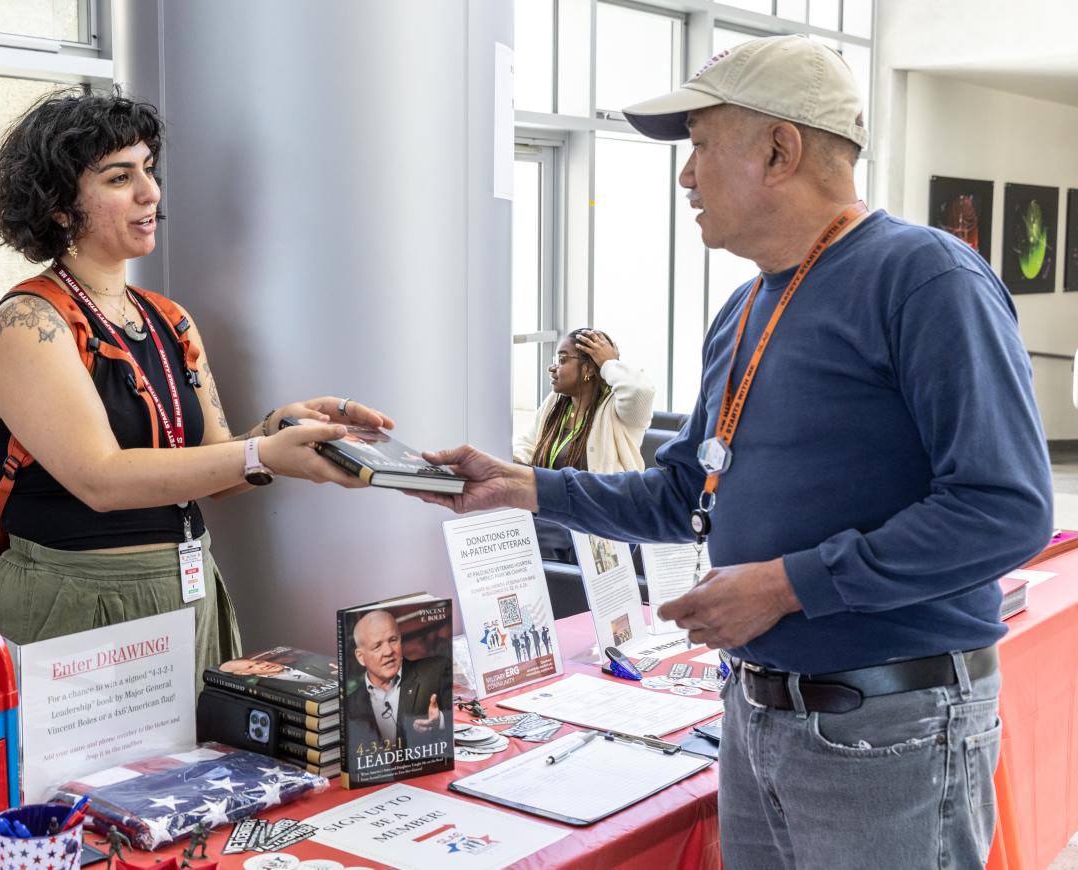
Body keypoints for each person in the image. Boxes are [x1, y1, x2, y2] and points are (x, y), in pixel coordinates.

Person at [412, 35, 1052, 869]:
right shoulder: (745, 309)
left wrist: (786, 587)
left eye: (702, 146)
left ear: (779, 150)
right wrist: (524, 486)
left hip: (889, 727)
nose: (686, 176)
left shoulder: (925, 279)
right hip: (758, 718)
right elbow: (686, 495)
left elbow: (1006, 510)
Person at [0, 89, 393, 691]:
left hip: (186, 587)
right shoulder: (29, 322)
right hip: (78, 601)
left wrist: (278, 432)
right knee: (84, 788)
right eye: (120, 177)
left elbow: (214, 465)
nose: (150, 193)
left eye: (149, 170)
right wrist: (259, 455)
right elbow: (101, 478)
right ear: (59, 206)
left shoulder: (168, 318)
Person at [513, 328, 653, 561]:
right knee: (519, 528)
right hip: (557, 517)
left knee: (533, 534)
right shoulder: (557, 403)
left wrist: (609, 363)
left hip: (601, 521)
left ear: (588, 369)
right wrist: (514, 463)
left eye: (562, 359)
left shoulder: (617, 410)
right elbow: (528, 443)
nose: (553, 367)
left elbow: (640, 392)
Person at [343, 609, 451, 752]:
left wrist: (441, 721)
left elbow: (463, 725)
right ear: (360, 657)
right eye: (377, 646)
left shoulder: (437, 670)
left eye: (393, 640)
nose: (388, 652)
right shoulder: (349, 706)